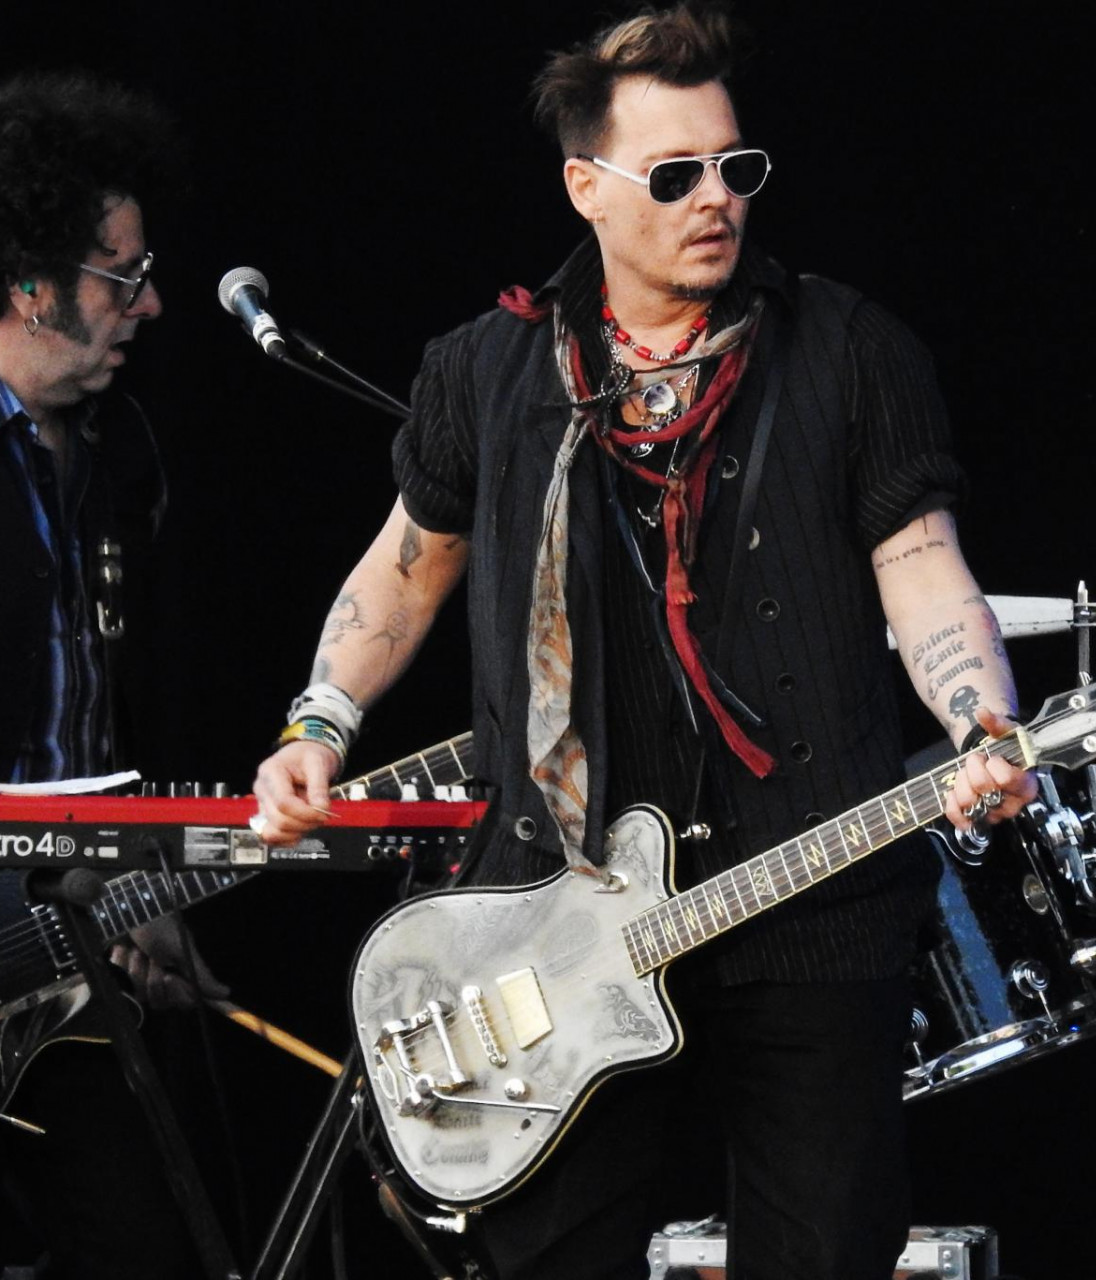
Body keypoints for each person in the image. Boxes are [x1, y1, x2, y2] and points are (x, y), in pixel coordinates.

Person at [252, 6, 1038, 1278]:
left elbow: (921, 566)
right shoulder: (487, 371)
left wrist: (976, 717)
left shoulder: (850, 350)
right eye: (674, 175)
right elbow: (403, 568)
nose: (715, 198)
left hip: (808, 899)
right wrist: (319, 720)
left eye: (736, 165)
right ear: (586, 188)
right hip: (555, 913)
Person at [0, 71, 224, 1279]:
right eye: (120, 277)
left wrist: (145, 887)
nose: (149, 303)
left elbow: (102, 721)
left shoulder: (119, 452)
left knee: (141, 1245)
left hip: (67, 953)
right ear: (31, 286)